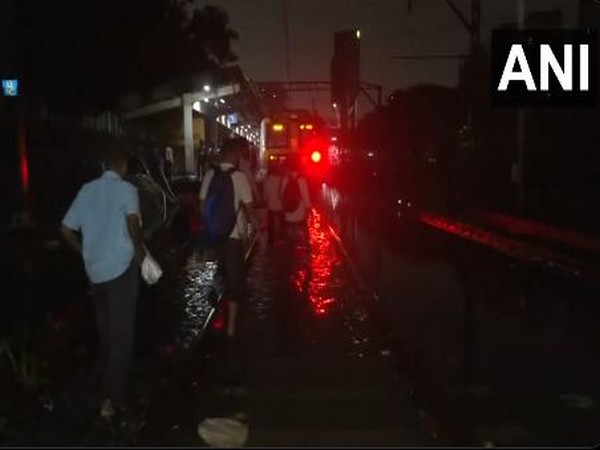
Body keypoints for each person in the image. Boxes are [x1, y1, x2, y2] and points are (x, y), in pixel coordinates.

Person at [60, 142, 145, 420]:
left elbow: (65, 229)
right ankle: (112, 398)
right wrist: (140, 251)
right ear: (122, 167)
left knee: (106, 331)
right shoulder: (127, 189)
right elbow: (133, 223)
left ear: (102, 167)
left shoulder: (87, 190)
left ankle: (108, 379)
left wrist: (83, 249)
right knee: (123, 335)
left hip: (94, 272)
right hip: (121, 269)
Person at [199, 137, 257, 348]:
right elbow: (250, 211)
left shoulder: (209, 175)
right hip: (233, 237)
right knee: (236, 281)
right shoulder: (240, 177)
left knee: (220, 271)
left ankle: (216, 305)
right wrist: (256, 227)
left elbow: (202, 206)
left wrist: (210, 227)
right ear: (235, 156)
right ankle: (230, 329)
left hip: (214, 237)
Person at [280, 156, 312, 229]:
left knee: (289, 236)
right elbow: (306, 197)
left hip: (288, 214)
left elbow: (281, 195)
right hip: (300, 214)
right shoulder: (302, 180)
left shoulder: (285, 179)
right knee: (300, 236)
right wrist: (308, 209)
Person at [262, 161, 284, 242]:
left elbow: (265, 195)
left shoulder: (267, 180)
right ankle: (280, 240)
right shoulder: (282, 179)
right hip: (280, 206)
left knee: (270, 226)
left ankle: (271, 241)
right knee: (281, 226)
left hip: (270, 207)